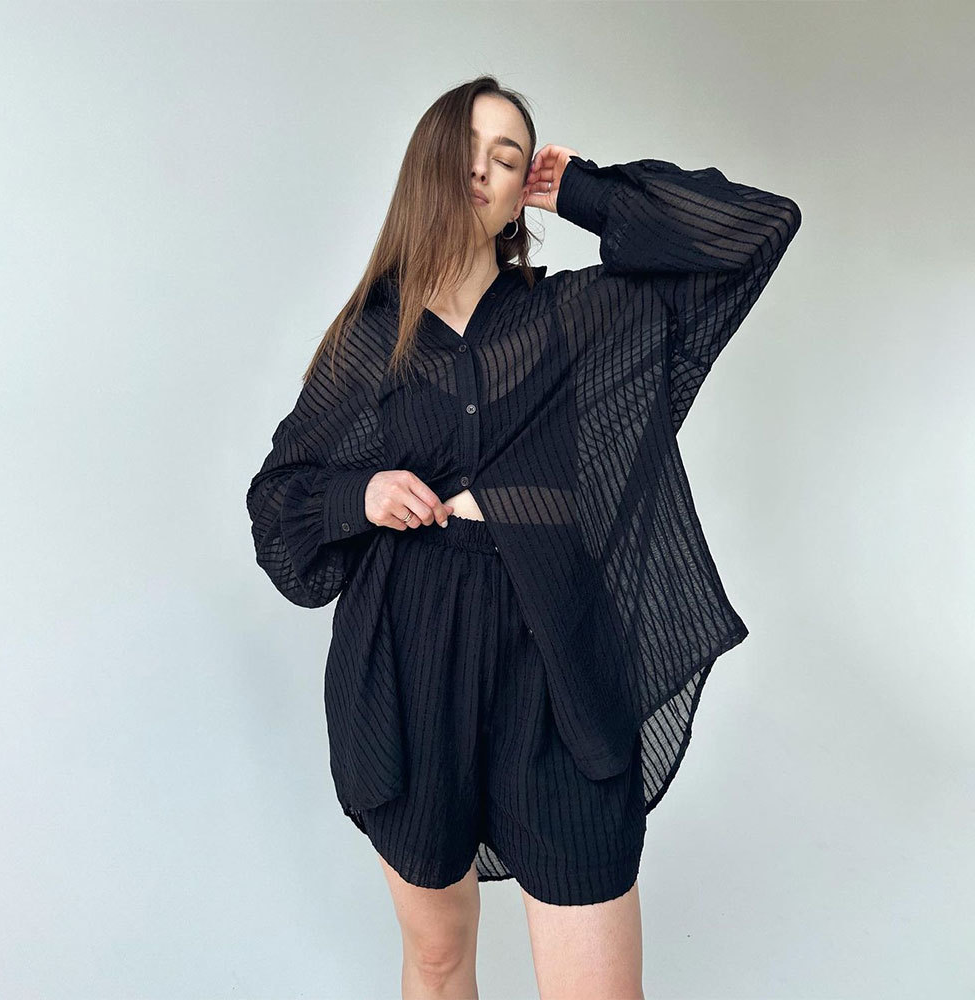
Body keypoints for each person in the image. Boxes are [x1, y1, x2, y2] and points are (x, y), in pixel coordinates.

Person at [246, 74, 801, 1000]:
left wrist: (582, 190)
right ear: (425, 168)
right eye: (466, 150)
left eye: (508, 158)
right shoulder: (370, 341)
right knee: (437, 961)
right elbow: (279, 513)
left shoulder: (578, 314)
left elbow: (757, 231)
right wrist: (360, 493)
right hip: (412, 661)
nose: (484, 169)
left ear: (519, 193)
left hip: (559, 663)